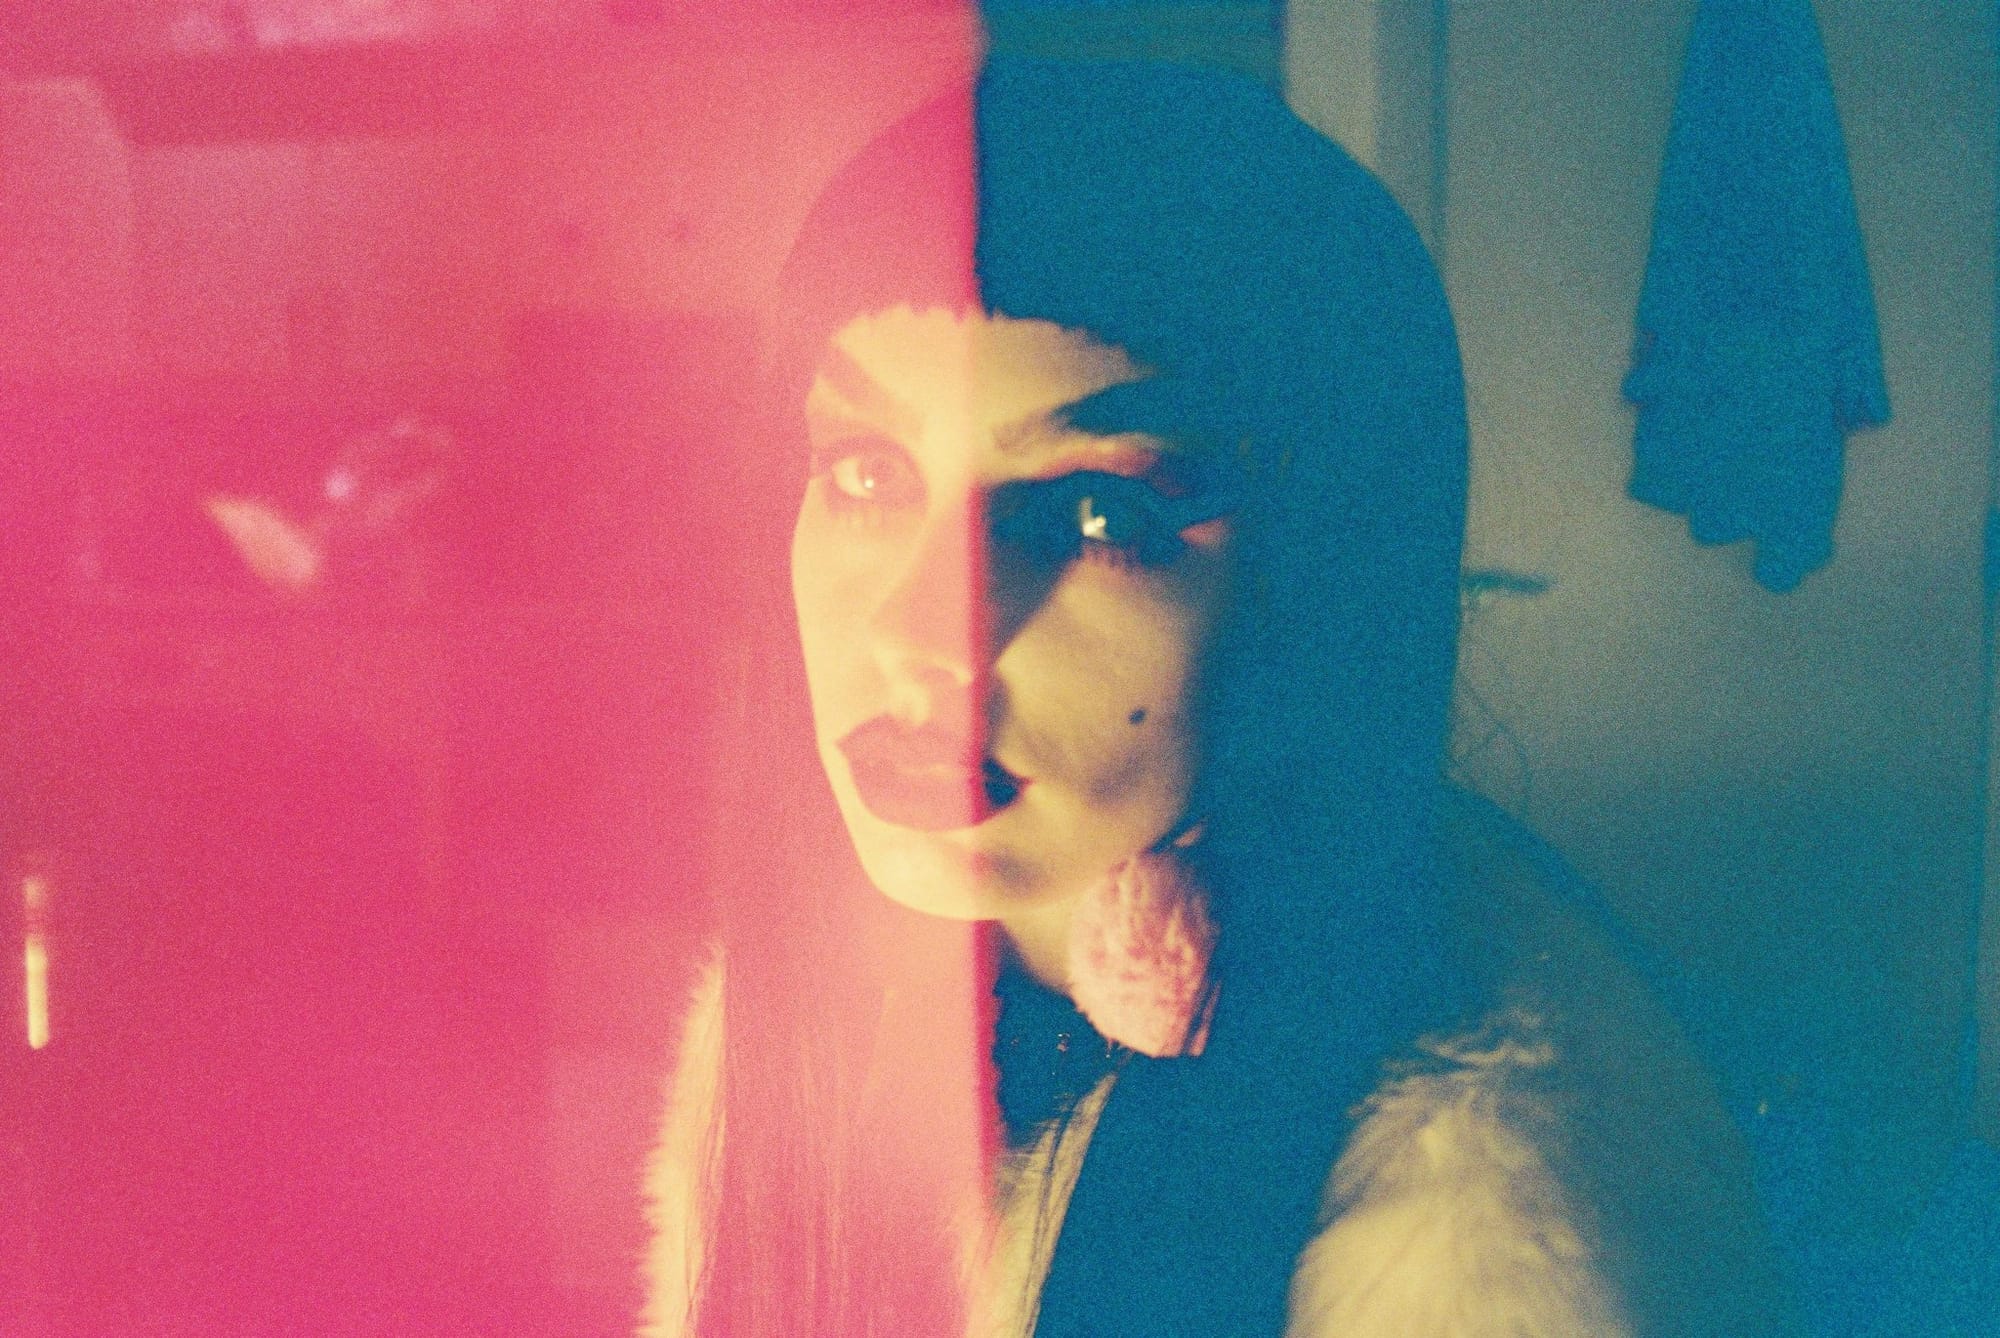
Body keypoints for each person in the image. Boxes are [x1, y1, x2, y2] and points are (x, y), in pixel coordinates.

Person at [640, 58, 1795, 1338]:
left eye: (1101, 511)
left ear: (1320, 575)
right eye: (864, 473)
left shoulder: (1492, 1241)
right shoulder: (809, 1035)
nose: (918, 634)